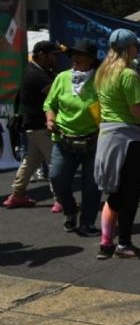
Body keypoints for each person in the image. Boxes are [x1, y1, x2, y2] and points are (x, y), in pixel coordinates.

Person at [93, 29, 140, 259]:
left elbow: (119, 103)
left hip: (106, 136)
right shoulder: (128, 75)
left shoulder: (102, 73)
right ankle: (124, 243)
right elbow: (138, 111)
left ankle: (106, 244)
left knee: (114, 193)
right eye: (136, 47)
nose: (137, 50)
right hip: (128, 139)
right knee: (131, 194)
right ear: (130, 49)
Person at [44, 40, 102, 236]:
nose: (74, 58)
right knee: (57, 178)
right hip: (63, 139)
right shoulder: (62, 78)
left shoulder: (101, 80)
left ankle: (87, 223)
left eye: (80, 55)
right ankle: (70, 211)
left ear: (91, 60)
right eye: (73, 55)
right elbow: (50, 104)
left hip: (94, 140)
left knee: (92, 185)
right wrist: (50, 120)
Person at [4, 41, 62, 210]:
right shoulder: (36, 74)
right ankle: (61, 199)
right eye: (53, 55)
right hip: (40, 126)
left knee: (31, 161)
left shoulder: (41, 71)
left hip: (35, 126)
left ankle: (17, 194)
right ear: (42, 55)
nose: (55, 59)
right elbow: (57, 94)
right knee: (55, 162)